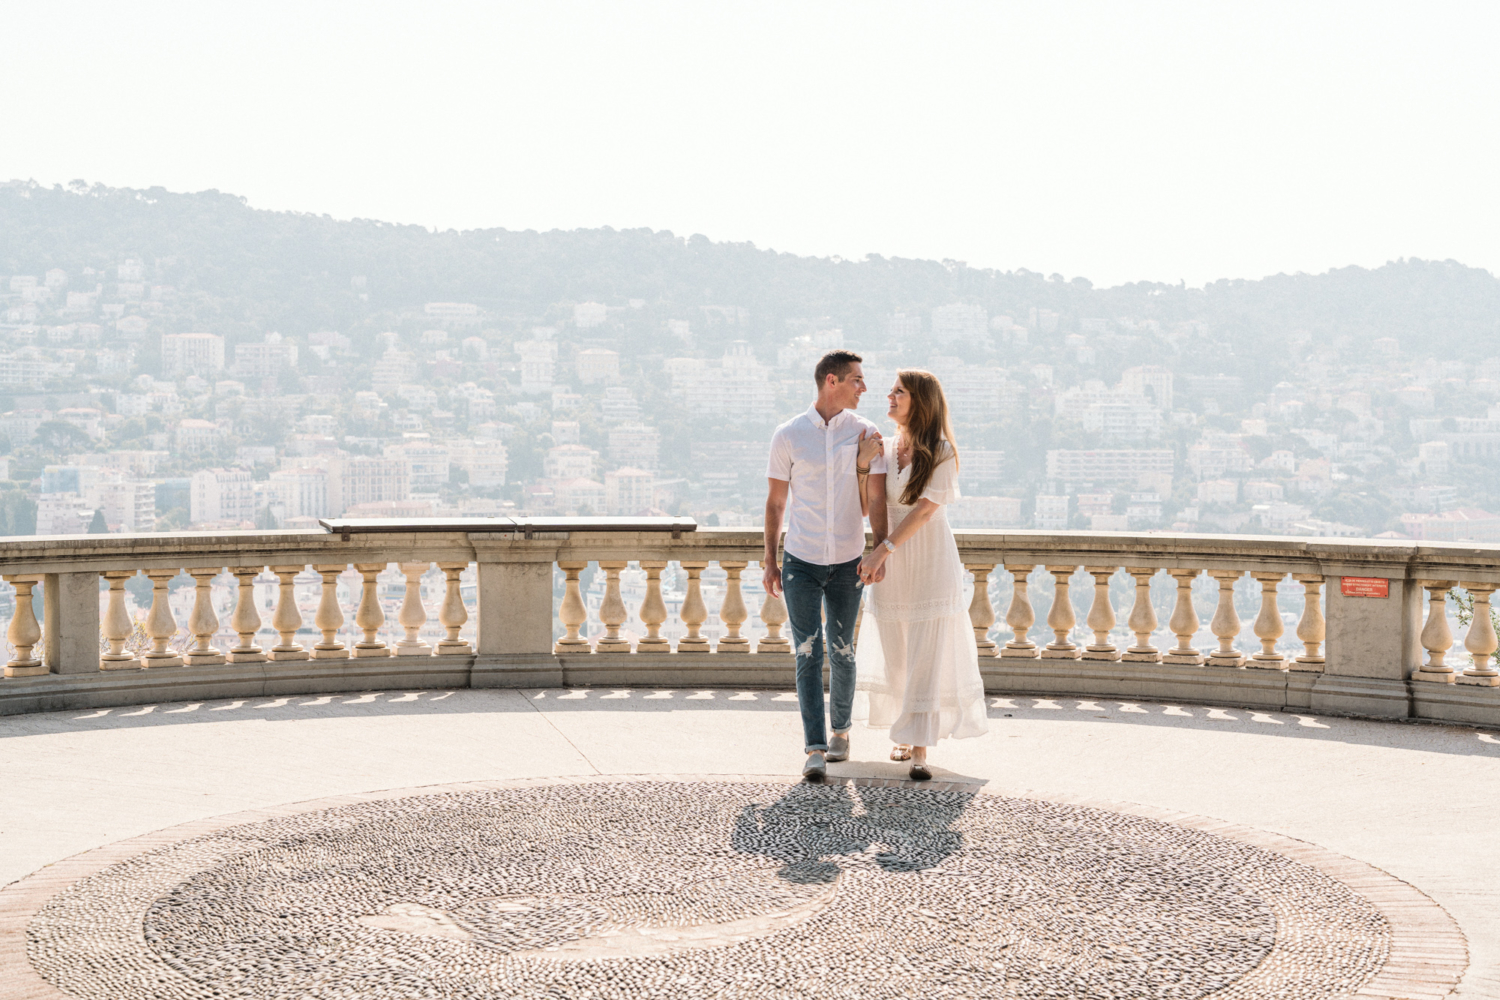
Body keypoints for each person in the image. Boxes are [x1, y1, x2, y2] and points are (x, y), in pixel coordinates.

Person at [853, 369, 988, 780]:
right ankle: (904, 729)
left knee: (926, 648)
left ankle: (919, 749)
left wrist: (884, 550)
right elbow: (873, 500)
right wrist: (879, 548)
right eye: (892, 390)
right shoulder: (884, 446)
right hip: (891, 555)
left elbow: (926, 510)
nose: (889, 396)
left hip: (929, 556)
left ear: (920, 402)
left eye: (900, 392)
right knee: (897, 648)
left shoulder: (942, 451)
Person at [764, 349, 886, 780]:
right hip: (802, 559)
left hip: (849, 559)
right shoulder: (789, 435)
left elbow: (872, 504)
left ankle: (842, 732)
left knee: (844, 652)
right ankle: (814, 746)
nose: (864, 388)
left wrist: (878, 549)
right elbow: (777, 503)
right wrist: (770, 560)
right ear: (831, 381)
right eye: (856, 379)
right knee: (807, 653)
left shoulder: (867, 433)